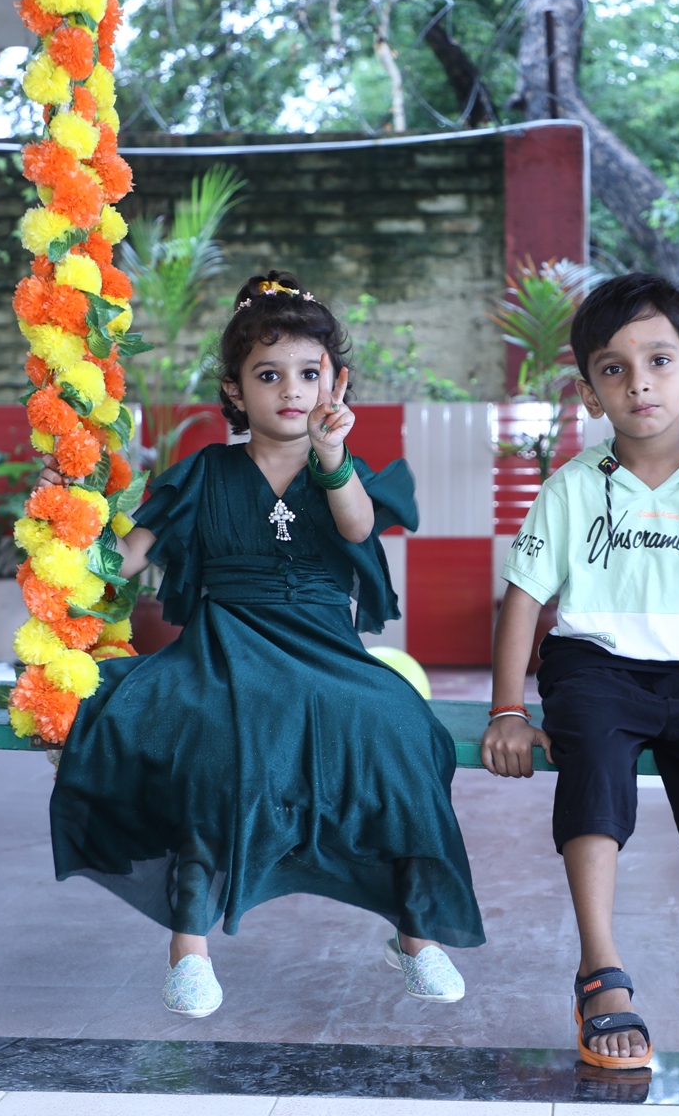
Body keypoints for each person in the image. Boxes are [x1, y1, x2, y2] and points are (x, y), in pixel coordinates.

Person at [43, 271, 484, 1018]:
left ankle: (414, 932)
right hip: (226, 646)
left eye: (309, 374)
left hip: (323, 646)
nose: (291, 390)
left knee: (400, 729)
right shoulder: (206, 472)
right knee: (216, 738)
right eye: (268, 374)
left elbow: (357, 527)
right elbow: (127, 559)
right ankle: (189, 945)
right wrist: (68, 515)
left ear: (336, 385)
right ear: (235, 390)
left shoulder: (338, 470)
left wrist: (332, 456)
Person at [480, 273, 679, 1069]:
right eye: (613, 368)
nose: (639, 383)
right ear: (589, 393)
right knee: (592, 762)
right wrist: (507, 711)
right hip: (593, 669)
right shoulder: (571, 489)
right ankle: (601, 972)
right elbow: (522, 602)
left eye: (659, 361)